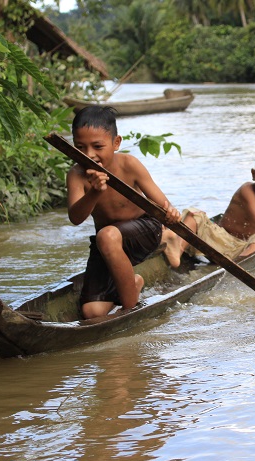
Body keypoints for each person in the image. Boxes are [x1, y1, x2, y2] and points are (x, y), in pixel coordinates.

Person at [67, 106, 182, 319]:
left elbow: (162, 204)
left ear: (116, 143)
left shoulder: (129, 164)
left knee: (107, 235)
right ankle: (133, 283)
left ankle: (130, 308)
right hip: (106, 244)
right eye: (80, 147)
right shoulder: (76, 174)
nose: (89, 155)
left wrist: (172, 214)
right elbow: (75, 218)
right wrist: (94, 192)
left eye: (98, 146)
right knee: (91, 312)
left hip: (145, 230)